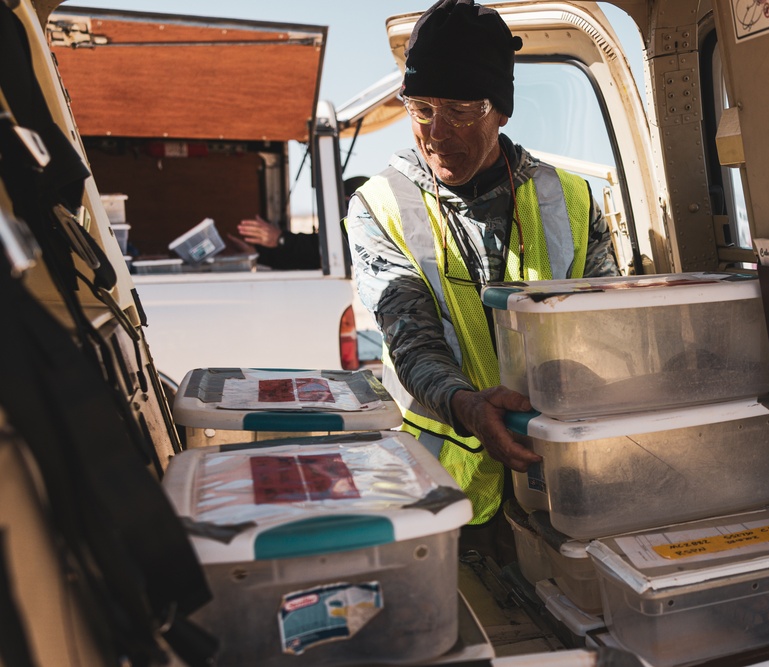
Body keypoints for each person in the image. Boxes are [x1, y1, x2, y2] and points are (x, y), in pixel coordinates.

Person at [345, 0, 618, 561]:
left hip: (566, 473)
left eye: (461, 109)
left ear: (501, 111)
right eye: (421, 108)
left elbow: (607, 325)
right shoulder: (378, 206)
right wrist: (471, 407)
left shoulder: (573, 198)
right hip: (443, 492)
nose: (437, 131)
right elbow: (411, 339)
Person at [231, 176, 370, 270]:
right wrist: (256, 255)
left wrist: (280, 239)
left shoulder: (369, 240)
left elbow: (324, 253)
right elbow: (310, 259)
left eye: (343, 205)